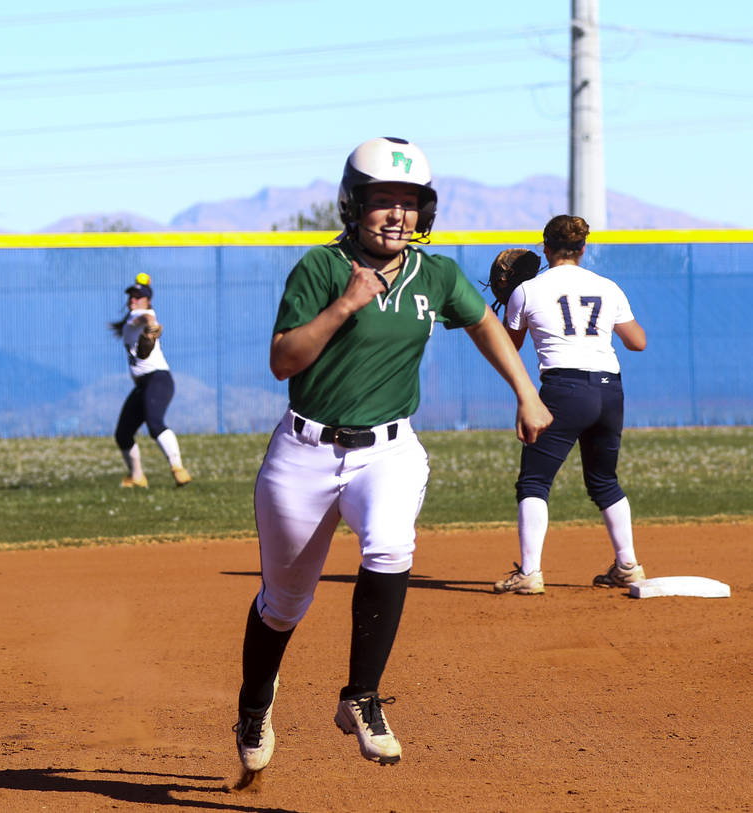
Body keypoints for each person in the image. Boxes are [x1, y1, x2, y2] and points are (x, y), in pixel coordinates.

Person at [232, 137, 552, 774]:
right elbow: (282, 361)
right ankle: (254, 701)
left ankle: (362, 696)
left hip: (388, 448)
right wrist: (347, 303)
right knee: (285, 603)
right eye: (383, 201)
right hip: (306, 450)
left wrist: (526, 392)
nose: (397, 215)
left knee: (389, 548)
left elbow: (484, 324)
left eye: (410, 203)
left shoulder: (434, 274)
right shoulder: (320, 271)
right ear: (353, 206)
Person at [494, 214, 648, 595]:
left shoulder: (528, 290)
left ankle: (530, 572)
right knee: (604, 480)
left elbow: (507, 349)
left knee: (534, 480)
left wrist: (509, 303)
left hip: (564, 389)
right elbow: (637, 342)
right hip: (610, 390)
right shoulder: (607, 287)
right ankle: (627, 565)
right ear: (583, 248)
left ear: (545, 247)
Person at [109, 273, 191, 488]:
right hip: (143, 385)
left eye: (139, 296)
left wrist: (151, 327)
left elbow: (146, 319)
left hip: (159, 380)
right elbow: (137, 321)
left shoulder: (143, 314)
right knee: (123, 434)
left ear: (148, 300)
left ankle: (178, 469)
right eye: (131, 295)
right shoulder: (130, 319)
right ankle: (137, 477)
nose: (133, 299)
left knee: (155, 423)